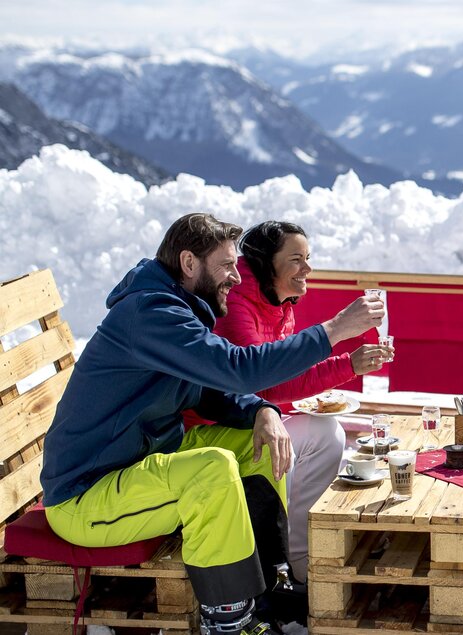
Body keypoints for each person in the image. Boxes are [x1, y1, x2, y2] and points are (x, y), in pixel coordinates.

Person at [40, 213, 385, 635]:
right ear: (189, 263)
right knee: (213, 469)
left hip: (138, 465)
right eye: (226, 267)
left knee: (252, 443)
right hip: (86, 497)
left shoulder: (175, 310)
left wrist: (260, 412)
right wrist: (333, 330)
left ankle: (269, 578)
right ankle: (228, 619)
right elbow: (237, 368)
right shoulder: (150, 315)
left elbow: (209, 389)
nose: (236, 279)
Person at [208, 220, 391, 585]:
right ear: (265, 264)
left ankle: (302, 549)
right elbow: (266, 379)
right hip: (219, 426)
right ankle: (297, 560)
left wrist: (349, 364)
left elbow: (286, 372)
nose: (307, 269)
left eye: (308, 258)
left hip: (257, 418)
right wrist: (346, 363)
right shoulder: (236, 307)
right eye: (296, 259)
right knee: (321, 434)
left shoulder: (279, 300)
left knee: (326, 431)